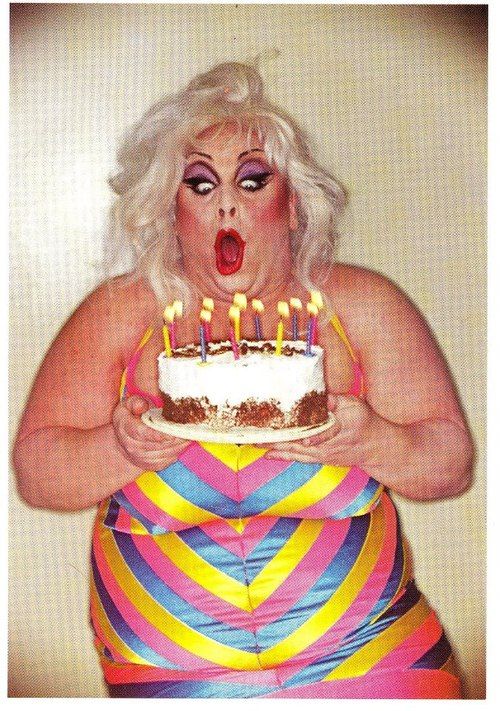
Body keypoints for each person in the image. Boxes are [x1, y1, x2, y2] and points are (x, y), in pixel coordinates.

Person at [12, 61, 474, 698]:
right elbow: (37, 473)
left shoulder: (360, 305)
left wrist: (372, 440)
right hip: (174, 678)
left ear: (292, 205)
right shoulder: (120, 313)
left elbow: (450, 464)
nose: (227, 203)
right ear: (170, 210)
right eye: (200, 185)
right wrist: (122, 447)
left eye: (253, 180)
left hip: (371, 660)